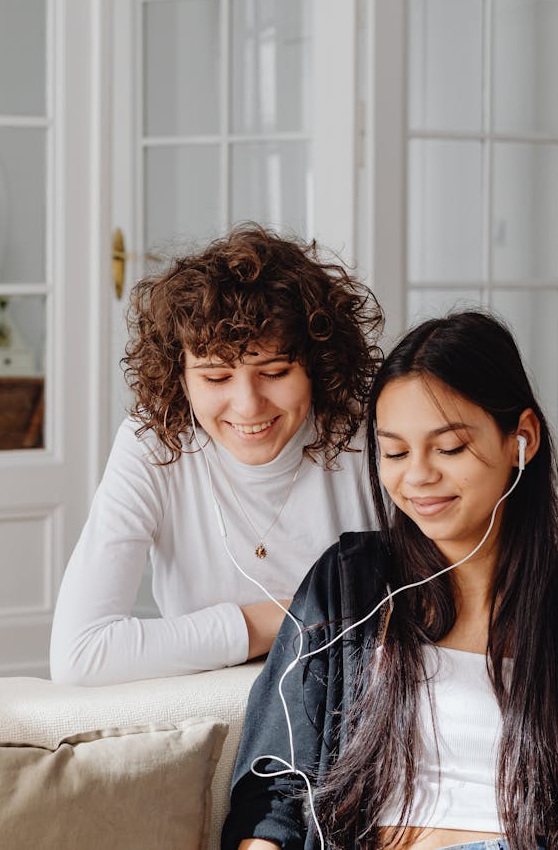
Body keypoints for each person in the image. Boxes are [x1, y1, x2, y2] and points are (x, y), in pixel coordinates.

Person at [223, 311, 558, 850]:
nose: (418, 476)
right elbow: (274, 790)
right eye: (396, 452)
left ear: (521, 438)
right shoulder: (347, 584)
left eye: (449, 448)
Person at [49, 225, 383, 686]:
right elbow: (79, 655)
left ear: (317, 367)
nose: (248, 406)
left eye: (275, 371)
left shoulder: (369, 435)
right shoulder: (154, 444)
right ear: (180, 376)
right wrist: (301, 614)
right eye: (216, 378)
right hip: (209, 716)